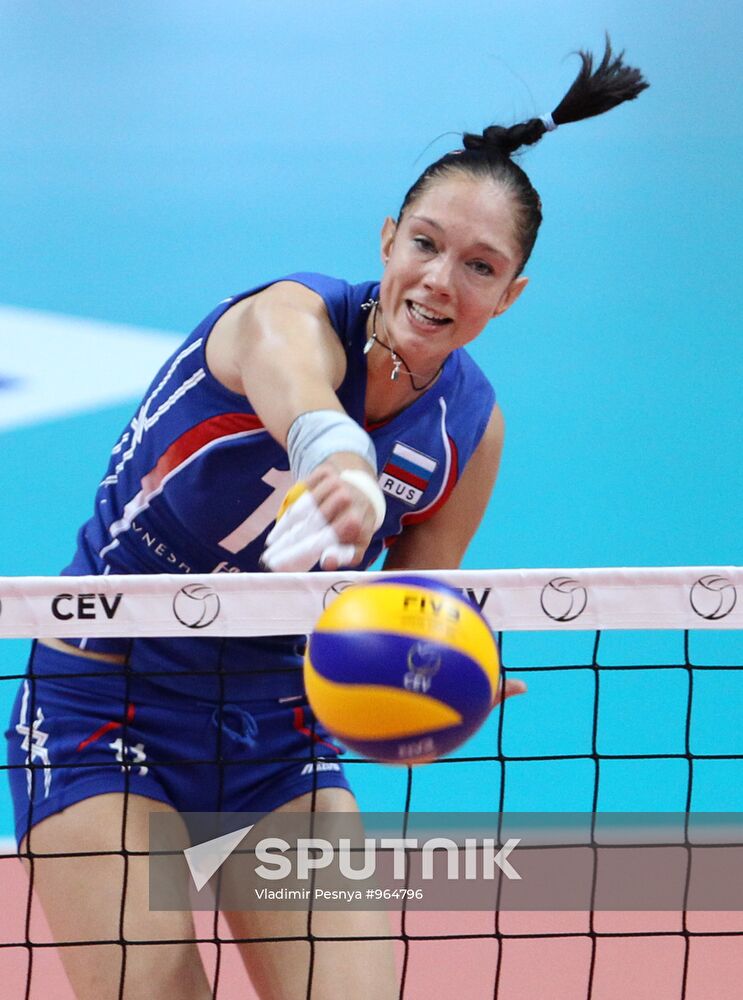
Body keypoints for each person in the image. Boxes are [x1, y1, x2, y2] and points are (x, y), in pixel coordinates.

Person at [6, 38, 647, 1000]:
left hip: (278, 730)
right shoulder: (281, 318)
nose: (439, 280)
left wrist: (437, 675)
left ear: (508, 297)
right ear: (386, 238)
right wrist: (339, 465)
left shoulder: (470, 428)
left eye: (479, 266)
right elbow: (304, 403)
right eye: (425, 245)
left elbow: (406, 602)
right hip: (105, 703)